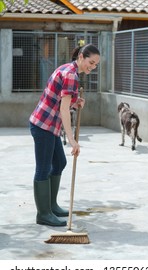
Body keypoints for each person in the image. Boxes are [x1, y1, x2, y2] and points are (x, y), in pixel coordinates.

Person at [29, 44, 100, 226]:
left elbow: (62, 98)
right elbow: (63, 109)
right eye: (90, 63)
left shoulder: (68, 69)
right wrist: (72, 139)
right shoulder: (71, 74)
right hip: (44, 125)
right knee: (43, 168)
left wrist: (75, 102)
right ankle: (43, 214)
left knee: (59, 163)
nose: (91, 68)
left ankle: (51, 206)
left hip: (49, 126)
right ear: (82, 57)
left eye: (95, 65)